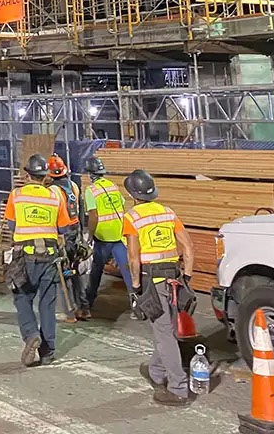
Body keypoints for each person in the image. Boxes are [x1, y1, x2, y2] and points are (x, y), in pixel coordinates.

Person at [122, 168, 196, 406]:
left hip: (151, 281)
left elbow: (133, 259)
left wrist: (135, 288)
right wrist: (187, 277)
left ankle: (178, 388)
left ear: (133, 194)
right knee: (166, 330)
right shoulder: (167, 213)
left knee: (164, 333)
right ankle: (156, 371)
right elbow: (188, 248)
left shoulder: (132, 218)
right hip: (173, 278)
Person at [3, 153, 74, 367]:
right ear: (45, 176)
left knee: (22, 297)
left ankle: (31, 333)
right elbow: (63, 228)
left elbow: (12, 226)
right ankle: (48, 352)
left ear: (27, 175)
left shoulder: (16, 195)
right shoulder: (56, 197)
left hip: (24, 255)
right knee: (48, 303)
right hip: (50, 255)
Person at [83, 155, 133, 315]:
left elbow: (93, 215)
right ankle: (137, 303)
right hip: (118, 234)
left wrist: (90, 235)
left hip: (103, 237)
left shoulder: (91, 191)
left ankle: (88, 301)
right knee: (127, 270)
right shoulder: (112, 186)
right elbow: (122, 207)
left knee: (97, 269)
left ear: (90, 174)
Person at [46, 154, 89, 321]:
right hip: (75, 232)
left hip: (62, 235)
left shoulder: (52, 191)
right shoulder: (74, 186)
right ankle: (84, 308)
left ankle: (69, 312)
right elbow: (80, 211)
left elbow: (53, 215)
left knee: (63, 273)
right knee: (75, 271)